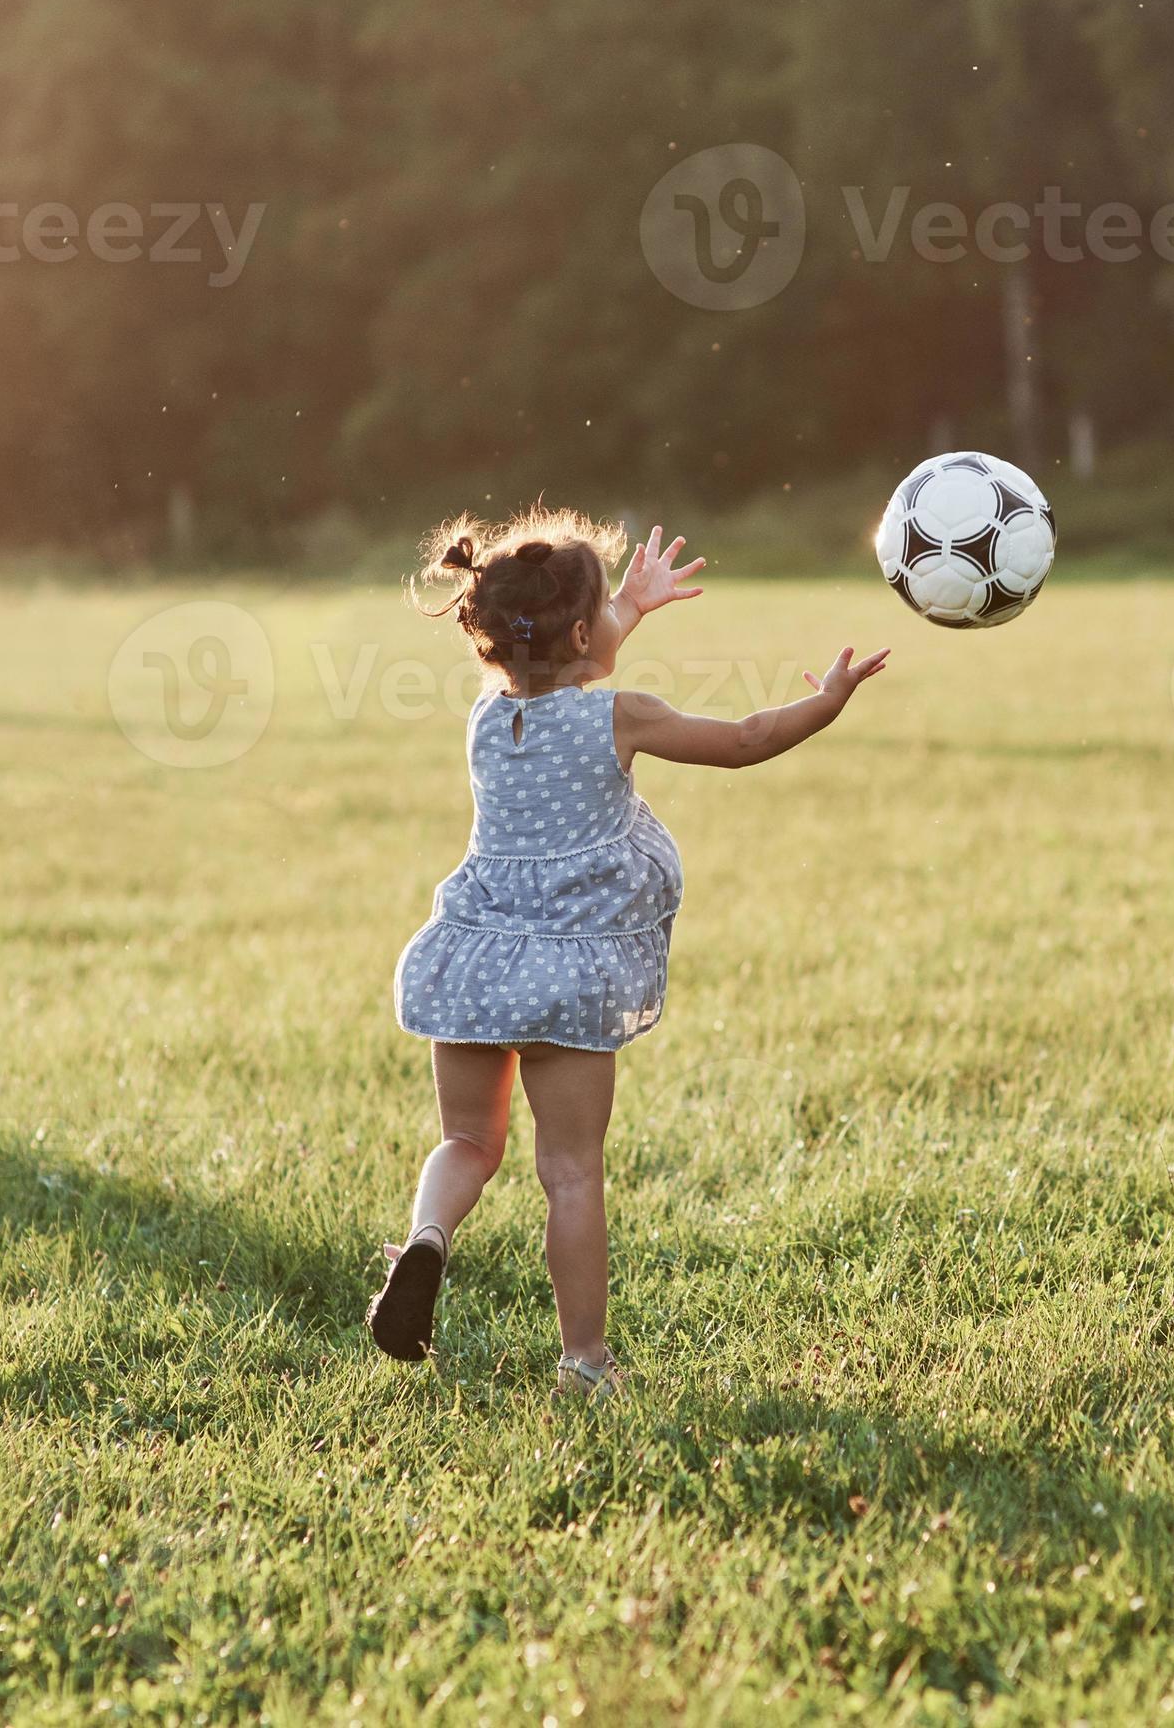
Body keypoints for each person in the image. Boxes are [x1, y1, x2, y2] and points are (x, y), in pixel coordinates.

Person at [372, 507, 891, 1390]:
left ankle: (426, 1238)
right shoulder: (622, 717)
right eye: (607, 609)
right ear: (582, 631)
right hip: (568, 976)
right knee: (570, 1173)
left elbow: (560, 651)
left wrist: (632, 607)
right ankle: (583, 1362)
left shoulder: (487, 721)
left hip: (475, 960)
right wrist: (825, 702)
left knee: (467, 1140)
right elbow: (743, 742)